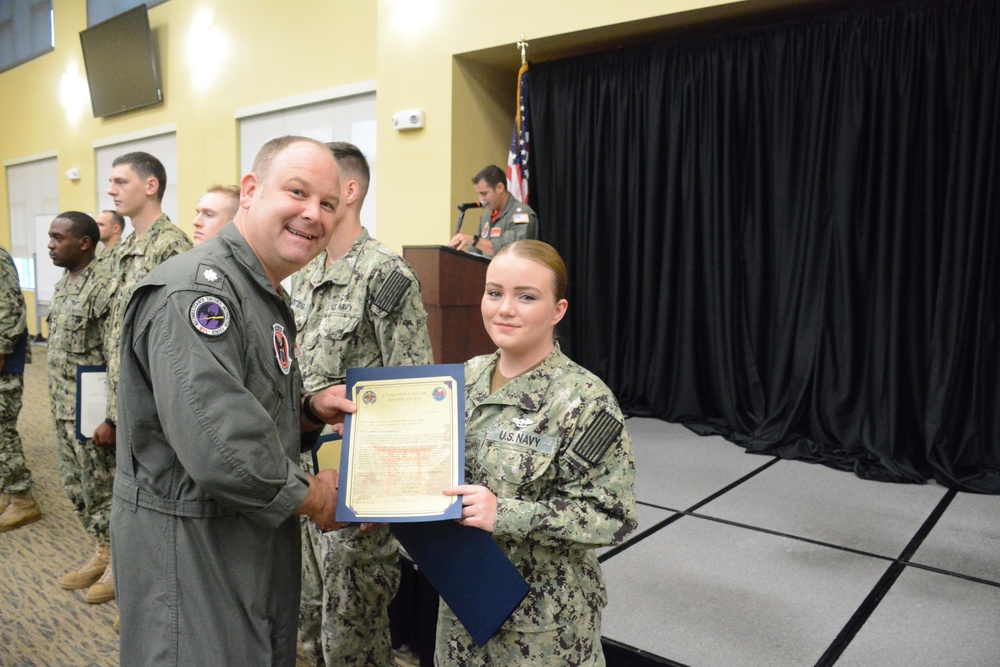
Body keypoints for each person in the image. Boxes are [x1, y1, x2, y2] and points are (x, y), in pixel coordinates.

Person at [110, 135, 356, 666]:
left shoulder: (256, 289)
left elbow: (242, 407)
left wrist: (310, 413)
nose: (313, 214)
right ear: (251, 191)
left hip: (242, 545)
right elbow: (223, 447)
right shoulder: (197, 295)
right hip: (193, 555)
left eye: (328, 204)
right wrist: (316, 496)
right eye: (297, 192)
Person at [436, 240, 637, 666]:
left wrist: (504, 514)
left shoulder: (584, 401)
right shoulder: (461, 379)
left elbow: (612, 518)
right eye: (495, 292)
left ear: (557, 310)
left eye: (526, 296)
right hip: (461, 611)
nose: (504, 308)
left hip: (543, 630)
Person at [291, 142, 433, 666]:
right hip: (302, 480)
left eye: (318, 191)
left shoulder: (385, 275)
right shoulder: (302, 274)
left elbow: (414, 391)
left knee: (351, 639)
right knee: (306, 626)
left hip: (357, 490)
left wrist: (386, 494)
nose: (306, 206)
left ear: (348, 191)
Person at [89, 151, 192, 606]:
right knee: (128, 496)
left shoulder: (172, 245)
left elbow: (175, 333)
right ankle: (127, 577)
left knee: (159, 499)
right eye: (110, 182)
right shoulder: (125, 247)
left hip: (154, 393)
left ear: (151, 186)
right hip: (122, 387)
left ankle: (158, 597)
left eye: (120, 181)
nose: (111, 190)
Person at [44, 212, 116, 590]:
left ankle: (119, 564)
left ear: (85, 242)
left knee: (104, 490)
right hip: (61, 406)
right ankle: (102, 550)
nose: (51, 245)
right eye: (50, 237)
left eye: (59, 238)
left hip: (92, 414)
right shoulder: (64, 281)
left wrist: (113, 418)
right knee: (78, 489)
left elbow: (117, 356)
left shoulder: (104, 285)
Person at [0, 245, 41, 532]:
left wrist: (1, 350)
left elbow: (11, 308)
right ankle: (6, 492)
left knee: (2, 430)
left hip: (3, 362)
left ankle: (22, 498)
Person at [447, 165, 538, 257]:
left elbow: (509, 250)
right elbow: (477, 252)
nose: (481, 199)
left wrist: (474, 240)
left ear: (500, 188)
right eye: (479, 194)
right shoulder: (486, 217)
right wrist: (460, 253)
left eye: (484, 193)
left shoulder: (521, 215)